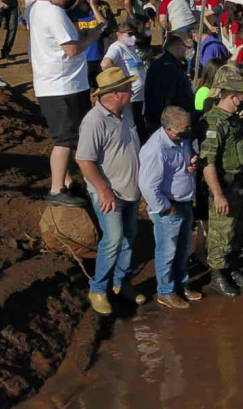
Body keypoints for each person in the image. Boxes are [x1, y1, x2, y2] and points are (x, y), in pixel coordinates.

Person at [30, 0, 104, 206]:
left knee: (71, 138)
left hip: (61, 83)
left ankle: (68, 182)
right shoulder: (53, 13)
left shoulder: (39, 8)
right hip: (62, 86)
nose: (72, 1)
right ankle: (56, 189)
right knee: (64, 140)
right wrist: (93, 35)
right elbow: (71, 49)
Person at [75, 67, 143, 315]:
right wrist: (103, 190)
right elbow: (84, 160)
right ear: (114, 93)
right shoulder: (94, 121)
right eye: (127, 88)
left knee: (129, 239)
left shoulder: (126, 113)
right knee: (113, 239)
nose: (131, 90)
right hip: (109, 194)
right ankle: (98, 288)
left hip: (130, 191)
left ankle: (121, 283)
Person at [198, 72, 243, 297]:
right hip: (224, 186)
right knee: (220, 234)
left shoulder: (233, 120)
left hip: (238, 185)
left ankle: (232, 269)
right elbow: (208, 162)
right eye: (242, 95)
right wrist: (218, 194)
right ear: (232, 95)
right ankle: (217, 275)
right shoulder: (214, 122)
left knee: (235, 232)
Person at [139, 106, 201, 309]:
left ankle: (181, 284)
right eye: (184, 128)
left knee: (183, 249)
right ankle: (165, 291)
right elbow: (147, 185)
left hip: (183, 202)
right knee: (167, 252)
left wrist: (192, 162)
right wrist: (165, 208)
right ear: (169, 129)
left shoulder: (179, 139)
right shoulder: (155, 149)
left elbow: (186, 157)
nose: (188, 131)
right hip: (169, 207)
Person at [101, 21, 148, 142]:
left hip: (139, 97)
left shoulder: (131, 48)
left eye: (134, 33)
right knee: (132, 129)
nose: (133, 37)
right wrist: (122, 81)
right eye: (129, 34)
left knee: (139, 125)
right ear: (118, 34)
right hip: (130, 98)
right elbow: (105, 64)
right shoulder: (116, 48)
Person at [144, 34, 195, 132]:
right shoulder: (167, 67)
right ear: (177, 47)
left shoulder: (170, 64)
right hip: (168, 124)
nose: (189, 51)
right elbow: (168, 98)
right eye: (187, 47)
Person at [66, 0, 109, 89]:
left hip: (98, 57)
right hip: (82, 58)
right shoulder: (72, 13)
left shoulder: (98, 10)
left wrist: (93, 7)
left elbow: (104, 26)